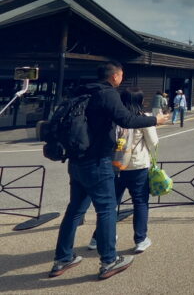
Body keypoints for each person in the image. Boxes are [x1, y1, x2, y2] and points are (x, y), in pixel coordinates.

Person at [50, 61, 169, 280]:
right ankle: (109, 261)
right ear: (115, 76)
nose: (121, 78)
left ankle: (62, 258)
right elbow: (127, 119)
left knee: (74, 210)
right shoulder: (107, 94)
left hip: (76, 161)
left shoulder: (81, 93)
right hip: (97, 161)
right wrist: (156, 120)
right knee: (106, 209)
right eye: (121, 75)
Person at [89, 88, 158, 255]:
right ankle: (140, 239)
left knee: (110, 204)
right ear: (140, 101)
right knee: (140, 202)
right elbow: (153, 142)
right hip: (137, 166)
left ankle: (98, 238)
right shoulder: (143, 118)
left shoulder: (114, 117)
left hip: (114, 165)